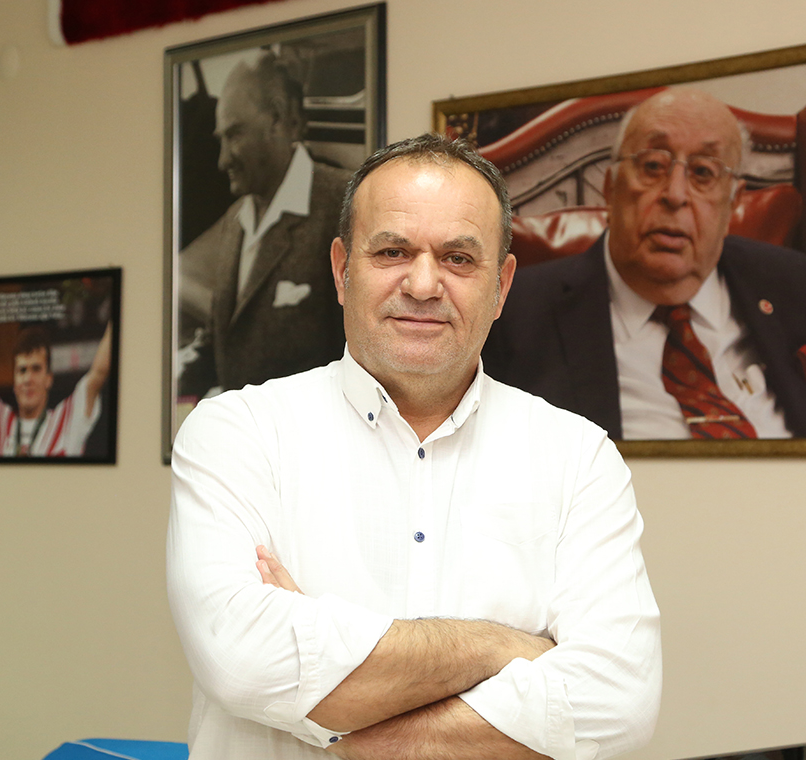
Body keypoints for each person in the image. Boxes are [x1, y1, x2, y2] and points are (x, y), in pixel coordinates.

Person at [167, 134, 661, 760]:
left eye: (458, 258)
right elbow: (243, 662)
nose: (424, 284)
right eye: (393, 251)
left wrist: (335, 713)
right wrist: (500, 647)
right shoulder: (237, 432)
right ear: (342, 270)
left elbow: (619, 702)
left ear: (502, 285)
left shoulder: (579, 459)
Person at [484, 88, 806, 441]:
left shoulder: (804, 287)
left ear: (732, 204)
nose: (675, 195)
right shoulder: (514, 314)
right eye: (653, 166)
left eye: (704, 173)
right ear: (611, 189)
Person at [178, 51, 350, 399]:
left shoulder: (344, 204)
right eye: (221, 140)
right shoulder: (236, 221)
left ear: (278, 119)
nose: (222, 160)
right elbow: (224, 337)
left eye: (235, 135)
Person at [0, 290, 112, 457]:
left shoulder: (67, 420)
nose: (28, 379)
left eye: (36, 369)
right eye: (22, 370)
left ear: (49, 379)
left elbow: (99, 371)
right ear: (14, 381)